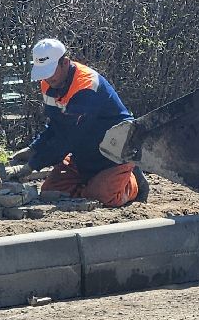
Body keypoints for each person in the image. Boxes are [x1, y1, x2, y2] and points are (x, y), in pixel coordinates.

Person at [14, 38, 141, 207]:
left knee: (104, 197)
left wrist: (33, 165)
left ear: (65, 63)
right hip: (84, 154)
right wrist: (34, 148)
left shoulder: (87, 86)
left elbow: (69, 137)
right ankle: (92, 186)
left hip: (114, 155)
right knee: (51, 190)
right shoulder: (48, 83)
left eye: (50, 71)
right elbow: (56, 126)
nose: (46, 78)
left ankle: (131, 183)